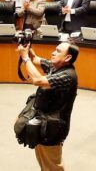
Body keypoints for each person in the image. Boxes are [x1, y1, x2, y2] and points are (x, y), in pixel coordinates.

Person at [16, 41, 78, 171]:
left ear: (67, 58)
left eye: (58, 51)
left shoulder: (68, 75)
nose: (53, 53)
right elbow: (35, 59)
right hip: (44, 123)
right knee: (45, 163)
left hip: (53, 129)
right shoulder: (54, 66)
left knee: (53, 166)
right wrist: (28, 48)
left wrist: (25, 58)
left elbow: (38, 80)